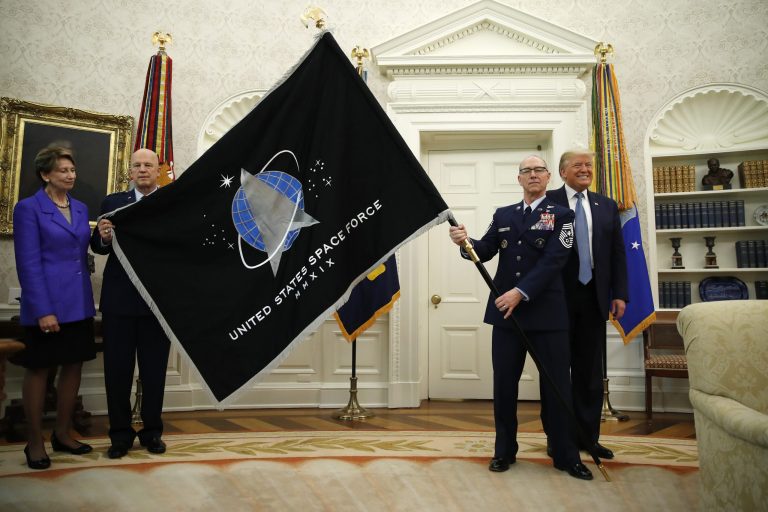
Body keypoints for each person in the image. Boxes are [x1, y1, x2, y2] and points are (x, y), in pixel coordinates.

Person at [449, 155, 592, 480]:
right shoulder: (503, 215)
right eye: (526, 171)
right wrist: (464, 242)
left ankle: (565, 454)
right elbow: (483, 250)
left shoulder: (563, 215)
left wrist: (520, 292)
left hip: (547, 315)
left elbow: (555, 260)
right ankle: (504, 451)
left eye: (538, 170)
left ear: (548, 177)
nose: (532, 175)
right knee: (504, 386)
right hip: (506, 318)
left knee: (557, 387)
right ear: (519, 179)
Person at [12, 146, 97, 469]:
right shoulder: (28, 209)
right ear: (46, 174)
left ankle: (62, 434)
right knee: (39, 369)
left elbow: (83, 253)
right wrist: (43, 310)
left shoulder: (80, 208)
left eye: (72, 170)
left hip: (79, 302)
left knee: (73, 366)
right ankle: (35, 442)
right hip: (46, 305)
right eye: (63, 170)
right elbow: (29, 264)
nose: (71, 175)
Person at [545, 148, 628, 460]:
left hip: (593, 297)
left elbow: (617, 253)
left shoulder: (606, 206)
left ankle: (588, 438)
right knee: (555, 373)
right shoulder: (547, 202)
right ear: (563, 171)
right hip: (554, 300)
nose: (585, 169)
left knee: (589, 373)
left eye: (588, 165)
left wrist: (619, 293)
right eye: (578, 165)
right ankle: (557, 440)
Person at [90, 148, 170, 458]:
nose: (142, 169)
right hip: (119, 302)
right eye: (137, 165)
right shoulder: (112, 202)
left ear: (157, 169)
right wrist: (105, 238)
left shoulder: (170, 201)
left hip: (156, 302)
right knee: (117, 372)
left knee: (154, 372)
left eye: (148, 165)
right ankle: (120, 436)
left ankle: (152, 432)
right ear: (130, 171)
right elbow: (98, 247)